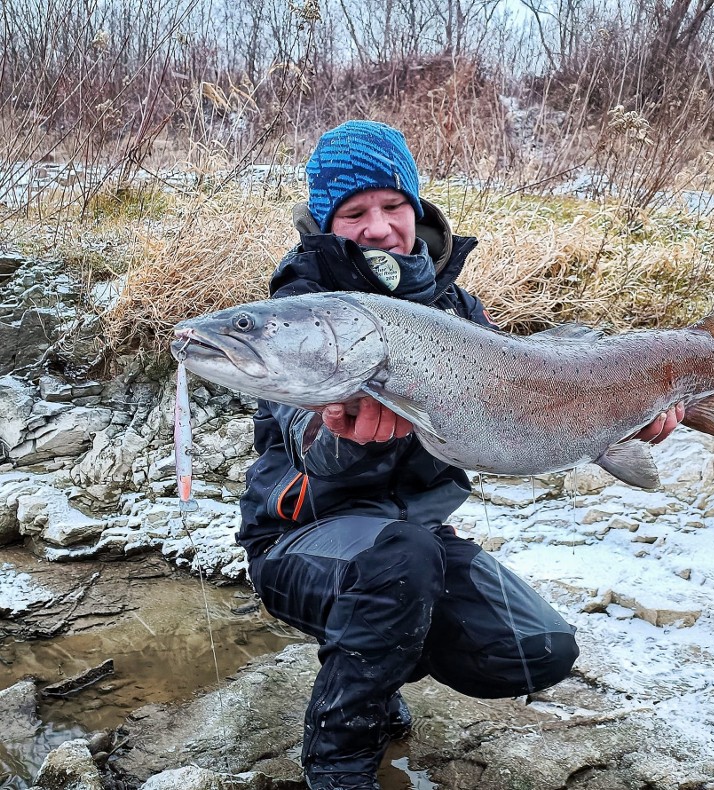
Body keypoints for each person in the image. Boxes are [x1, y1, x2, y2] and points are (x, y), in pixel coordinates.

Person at [238, 120, 683, 790]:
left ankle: (375, 672)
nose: (379, 226)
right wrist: (339, 434)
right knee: (402, 563)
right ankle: (338, 763)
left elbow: (537, 404)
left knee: (538, 649)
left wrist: (624, 419)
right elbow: (304, 436)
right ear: (327, 224)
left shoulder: (456, 308)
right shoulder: (301, 314)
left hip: (412, 545)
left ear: (417, 209)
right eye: (354, 213)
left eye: (393, 206)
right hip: (300, 545)